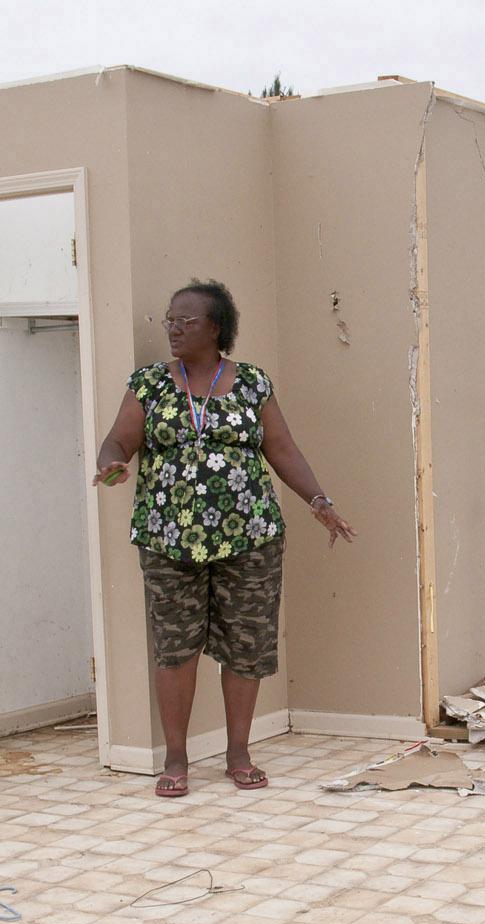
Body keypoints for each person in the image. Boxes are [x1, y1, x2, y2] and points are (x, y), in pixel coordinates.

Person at [94, 280, 356, 797]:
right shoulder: (148, 383)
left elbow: (280, 448)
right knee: (176, 648)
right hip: (168, 537)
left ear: (216, 328)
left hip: (250, 537)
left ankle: (238, 750)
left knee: (246, 645)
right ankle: (175, 757)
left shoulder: (253, 383)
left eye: (185, 321)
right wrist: (112, 463)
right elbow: (120, 437)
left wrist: (318, 501)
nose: (173, 327)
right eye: (170, 319)